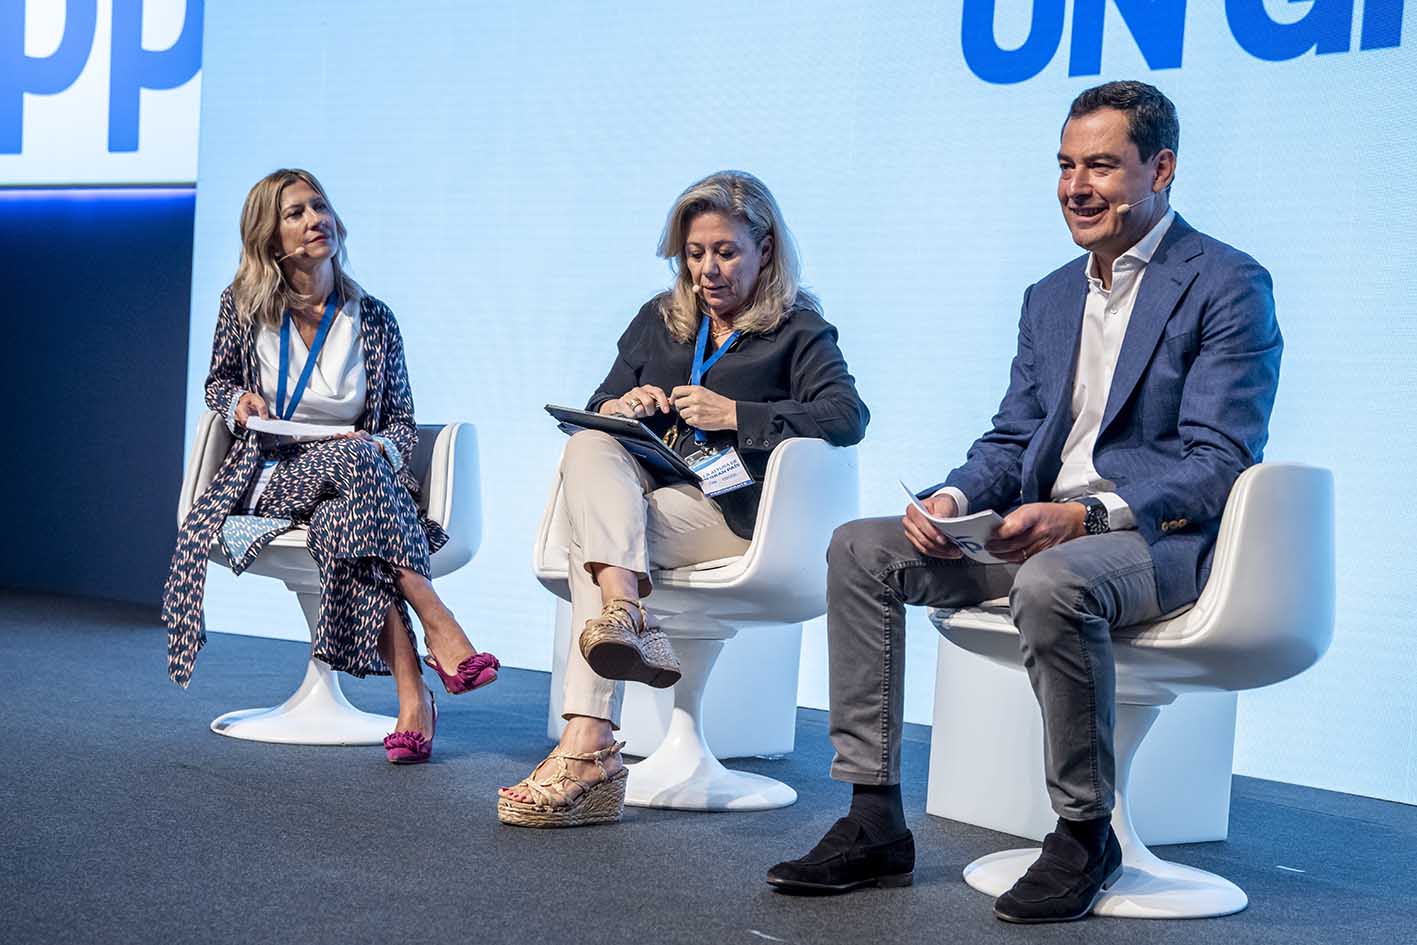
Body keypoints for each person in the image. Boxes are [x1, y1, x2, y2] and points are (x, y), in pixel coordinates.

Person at [767, 81, 1282, 923]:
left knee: (1054, 582)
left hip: (1151, 540)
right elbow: (1012, 437)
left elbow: (1218, 462)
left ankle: (1083, 833)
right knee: (860, 549)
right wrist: (954, 493)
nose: (1076, 187)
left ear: (1161, 168)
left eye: (1102, 167)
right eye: (1065, 165)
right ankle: (871, 819)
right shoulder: (1049, 295)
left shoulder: (1225, 281)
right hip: (1032, 533)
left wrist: (1084, 516)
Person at [497, 170, 870, 828]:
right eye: (695, 254)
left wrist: (738, 413)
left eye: (725, 252)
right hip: (646, 495)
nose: (708, 270)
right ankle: (623, 615)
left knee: (597, 540)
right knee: (586, 447)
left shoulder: (798, 330)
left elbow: (846, 416)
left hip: (730, 512)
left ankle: (587, 744)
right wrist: (619, 405)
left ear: (765, 250)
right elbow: (594, 410)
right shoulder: (659, 322)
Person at [162, 168, 499, 765]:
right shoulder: (242, 307)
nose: (314, 219)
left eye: (319, 206)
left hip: (352, 480)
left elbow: (398, 422)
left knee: (350, 507)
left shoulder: (373, 319)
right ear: (270, 237)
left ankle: (412, 697)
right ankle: (436, 619)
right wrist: (237, 404)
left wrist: (381, 449)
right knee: (356, 467)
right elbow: (218, 382)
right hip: (269, 473)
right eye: (295, 213)